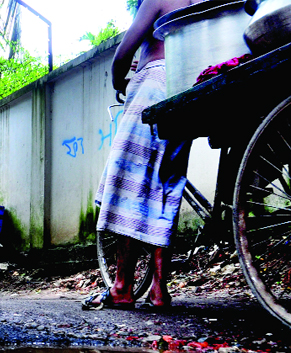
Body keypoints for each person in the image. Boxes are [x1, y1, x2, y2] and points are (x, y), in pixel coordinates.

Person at [83, 0, 199, 311]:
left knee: (129, 185)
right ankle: (159, 290)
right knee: (167, 187)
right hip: (188, 88)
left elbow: (123, 54)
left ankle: (121, 287)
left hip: (154, 85)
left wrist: (118, 79)